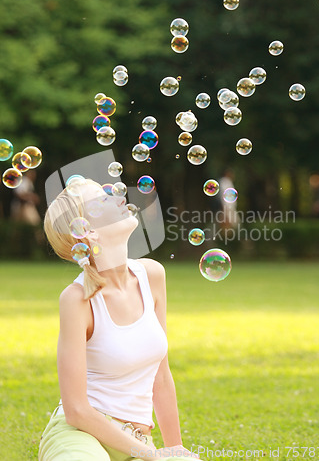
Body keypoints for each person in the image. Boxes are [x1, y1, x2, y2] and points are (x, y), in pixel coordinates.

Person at [38, 178, 202, 461]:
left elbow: (160, 376)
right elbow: (77, 410)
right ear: (88, 232)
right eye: (101, 198)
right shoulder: (77, 299)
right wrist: (152, 456)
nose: (116, 193)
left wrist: (175, 450)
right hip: (80, 436)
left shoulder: (152, 275)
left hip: (135, 442)